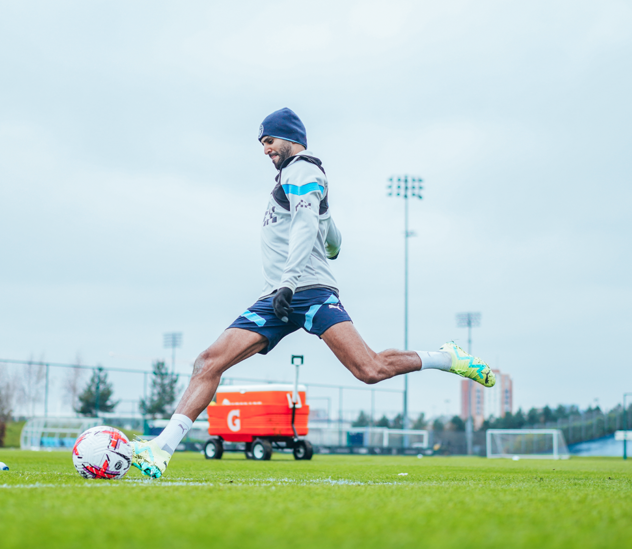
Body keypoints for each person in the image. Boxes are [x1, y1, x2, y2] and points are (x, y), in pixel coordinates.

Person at [131, 108, 494, 478]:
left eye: (269, 140)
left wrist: (290, 278)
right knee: (208, 362)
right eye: (262, 143)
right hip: (277, 296)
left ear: (291, 138)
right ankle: (161, 449)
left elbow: (306, 225)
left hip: (307, 291)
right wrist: (323, 219)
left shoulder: (303, 169)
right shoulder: (296, 179)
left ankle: (446, 358)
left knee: (369, 370)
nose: (265, 149)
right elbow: (333, 243)